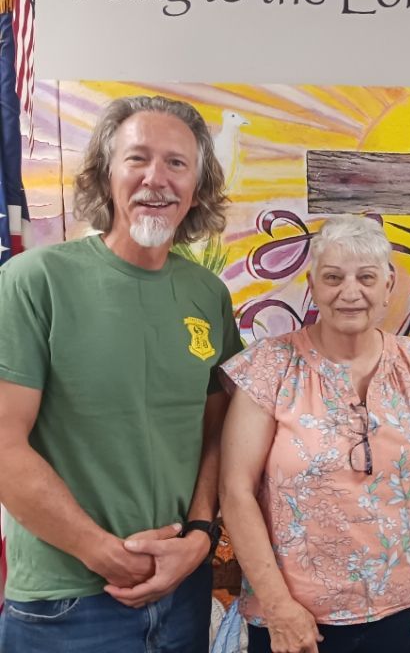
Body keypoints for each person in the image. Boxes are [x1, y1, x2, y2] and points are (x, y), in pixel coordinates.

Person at [0, 95, 243, 652]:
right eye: (137, 158)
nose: (156, 179)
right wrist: (99, 550)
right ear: (105, 175)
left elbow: (217, 427)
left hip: (182, 594)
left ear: (198, 187)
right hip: (67, 603)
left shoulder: (208, 294)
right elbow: (4, 443)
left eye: (177, 163)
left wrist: (201, 536)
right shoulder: (34, 281)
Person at [219, 215, 410, 653]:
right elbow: (235, 491)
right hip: (297, 620)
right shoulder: (271, 366)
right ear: (313, 284)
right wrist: (277, 604)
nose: (350, 292)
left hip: (401, 612)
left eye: (366, 277)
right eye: (333, 278)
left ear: (388, 286)